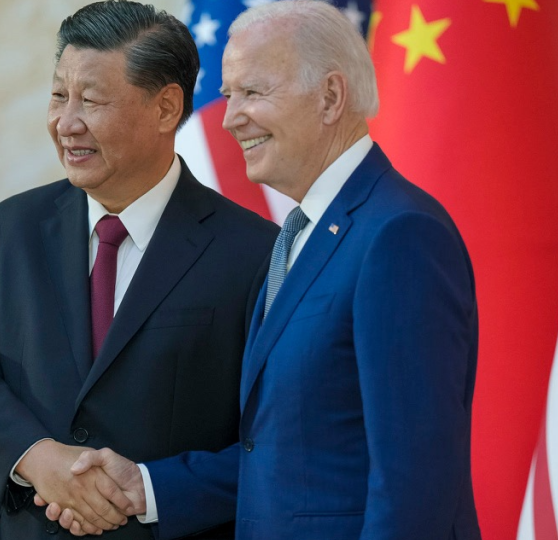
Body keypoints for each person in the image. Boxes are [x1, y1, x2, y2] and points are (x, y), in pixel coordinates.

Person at [47, 1, 482, 539]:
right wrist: (147, 487)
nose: (229, 117)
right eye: (229, 95)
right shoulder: (299, 236)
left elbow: (416, 483)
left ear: (330, 97)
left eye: (253, 93)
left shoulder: (398, 235)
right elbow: (284, 452)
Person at [0, 1, 278, 538]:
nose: (66, 123)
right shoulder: (13, 227)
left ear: (166, 109)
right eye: (57, 95)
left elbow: (273, 444)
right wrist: (38, 460)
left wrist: (147, 489)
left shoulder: (253, 253)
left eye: (90, 100)